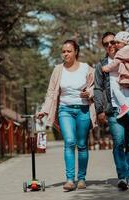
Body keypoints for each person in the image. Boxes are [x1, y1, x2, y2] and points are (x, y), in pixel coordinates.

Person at [37, 39, 96, 191]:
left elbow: (95, 87)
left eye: (69, 51)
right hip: (65, 110)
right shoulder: (58, 70)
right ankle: (70, 180)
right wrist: (45, 109)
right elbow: (51, 92)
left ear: (76, 52)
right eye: (63, 51)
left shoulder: (86, 68)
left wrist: (89, 92)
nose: (65, 54)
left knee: (82, 144)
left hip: (83, 109)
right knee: (69, 142)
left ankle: (81, 178)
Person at [94, 32, 129, 190]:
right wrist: (99, 110)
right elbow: (98, 88)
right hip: (113, 109)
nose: (110, 46)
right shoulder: (101, 65)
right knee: (119, 142)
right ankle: (122, 177)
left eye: (112, 42)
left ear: (118, 43)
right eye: (106, 44)